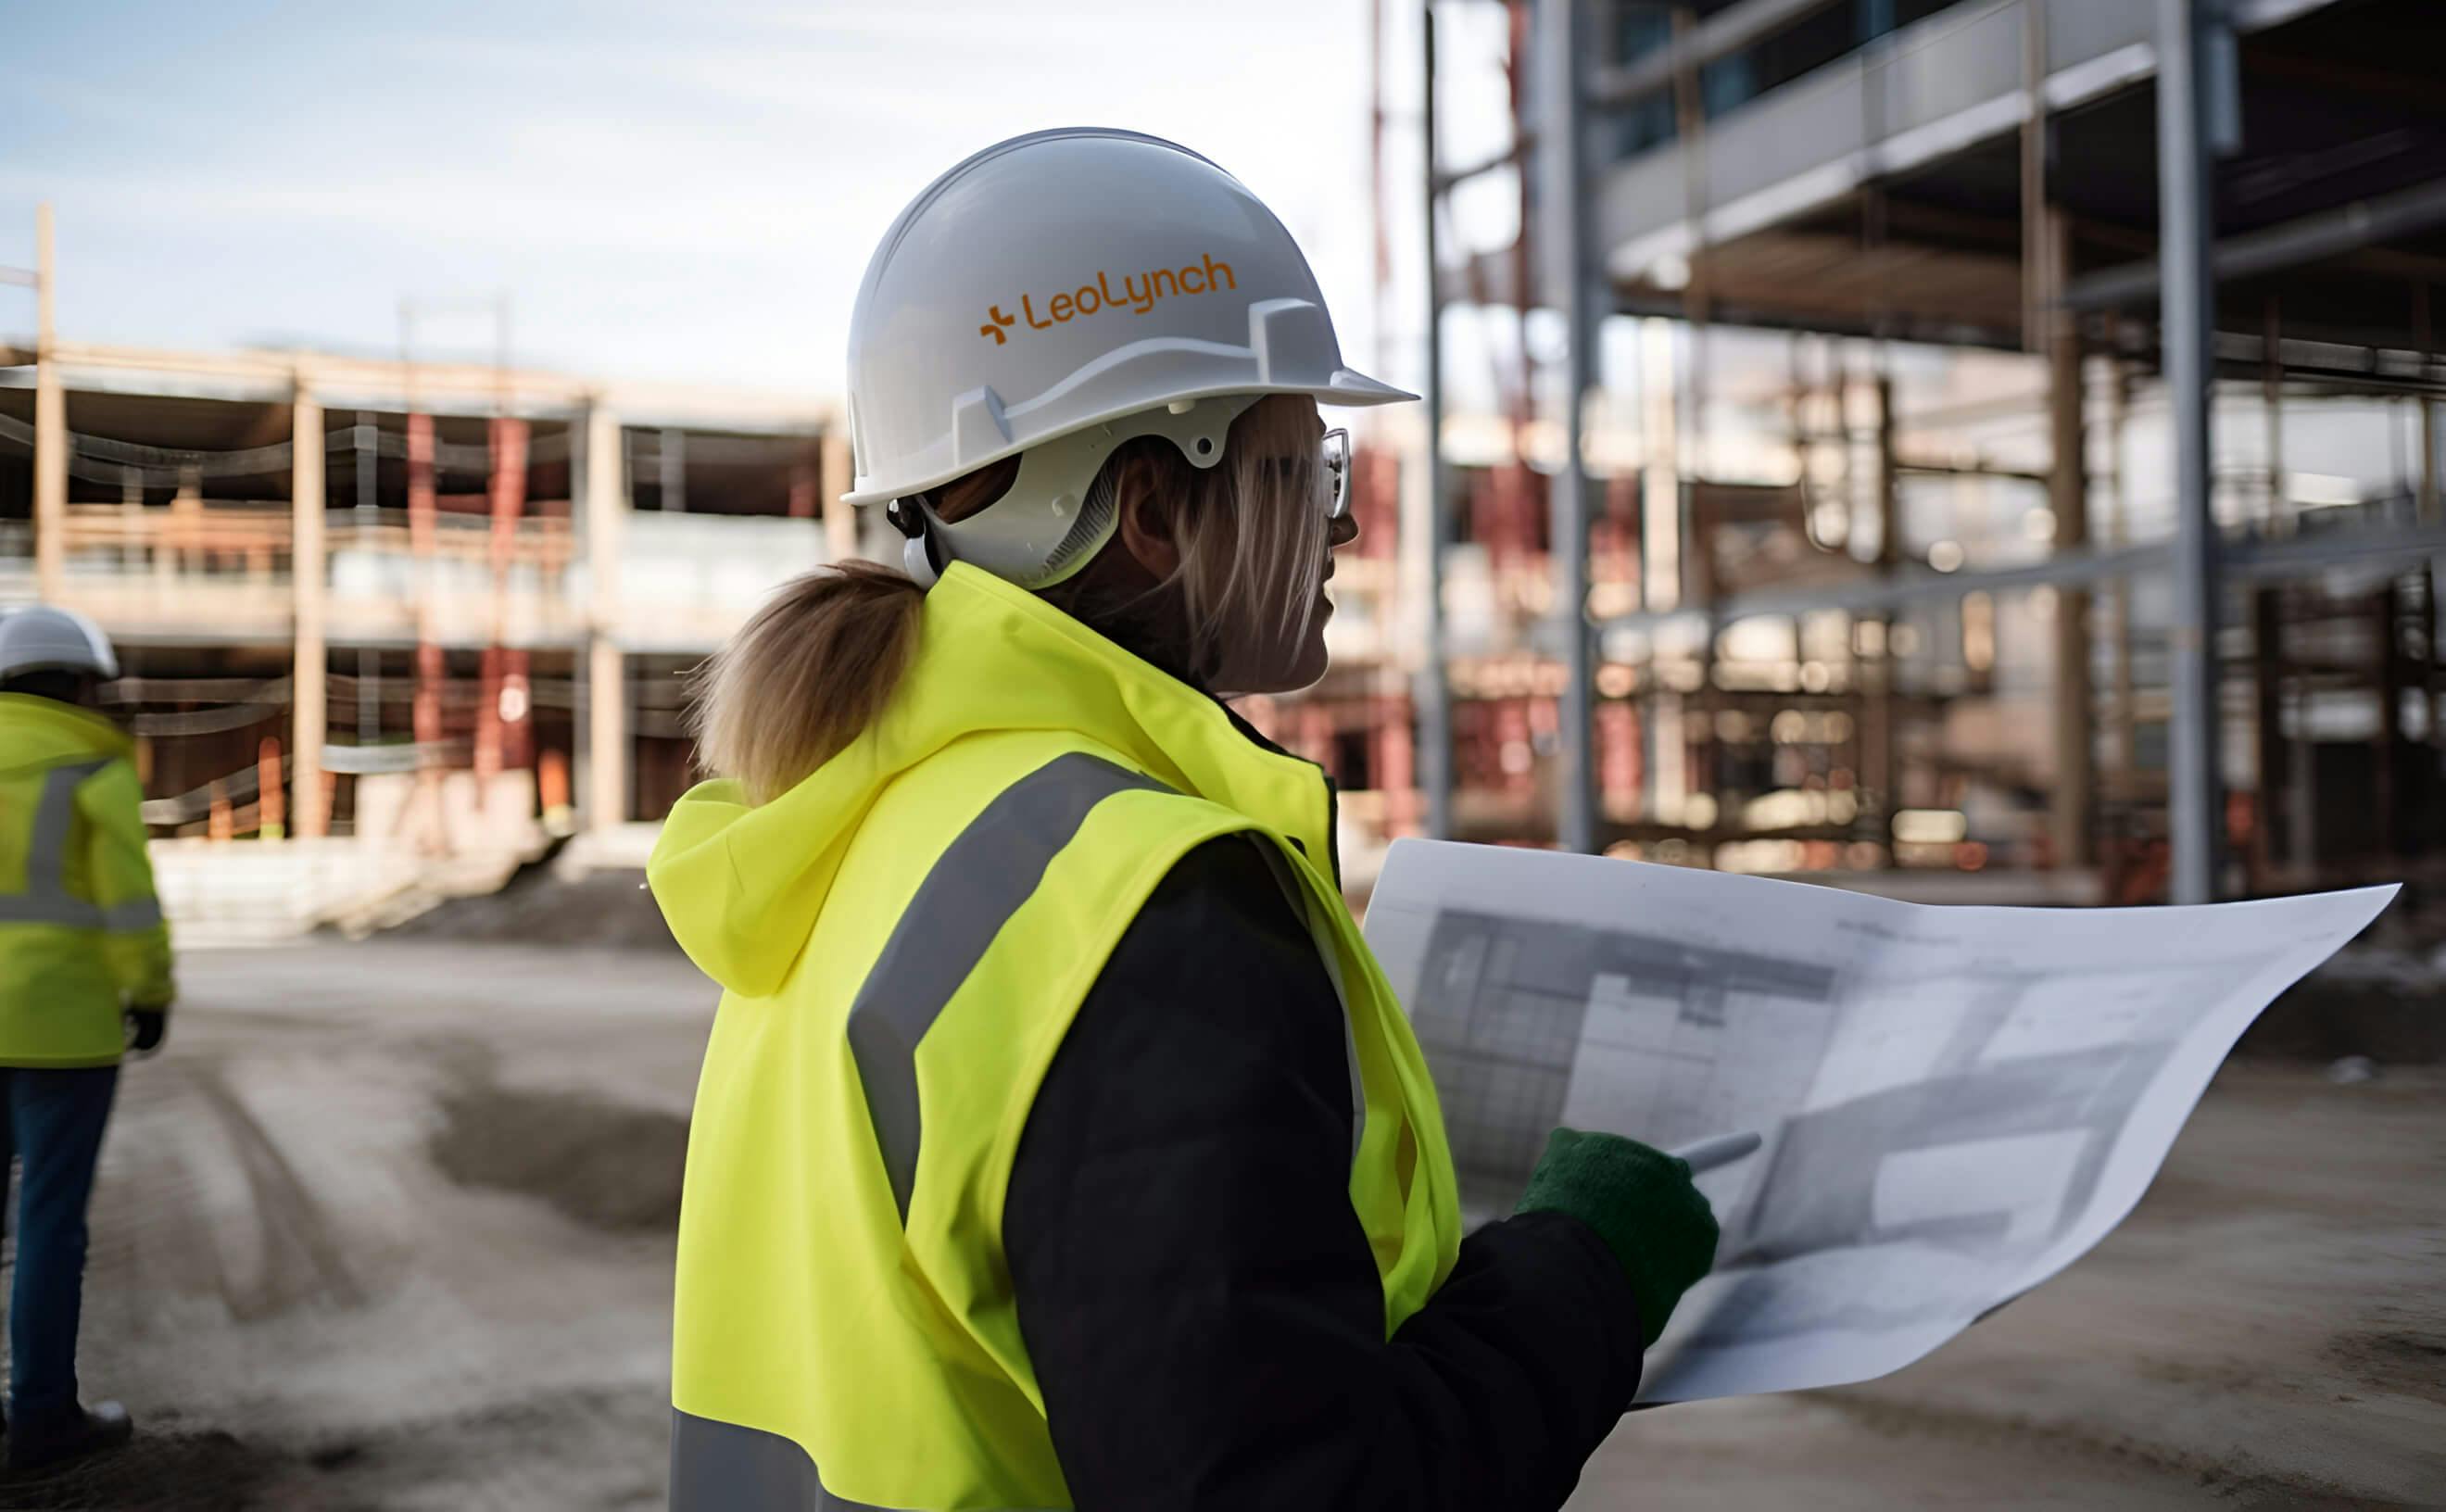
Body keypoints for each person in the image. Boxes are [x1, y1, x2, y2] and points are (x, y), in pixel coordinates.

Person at [649, 128, 1719, 1512]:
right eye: (1308, 467)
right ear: (1155, 506)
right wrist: (1585, 1272)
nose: (1338, 528)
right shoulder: (1148, 907)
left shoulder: (861, 826)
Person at [0, 605, 170, 1472]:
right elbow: (127, 899)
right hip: (61, 1031)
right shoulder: (90, 759)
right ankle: (41, 1420)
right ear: (77, 682)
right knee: (48, 1226)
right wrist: (151, 993)